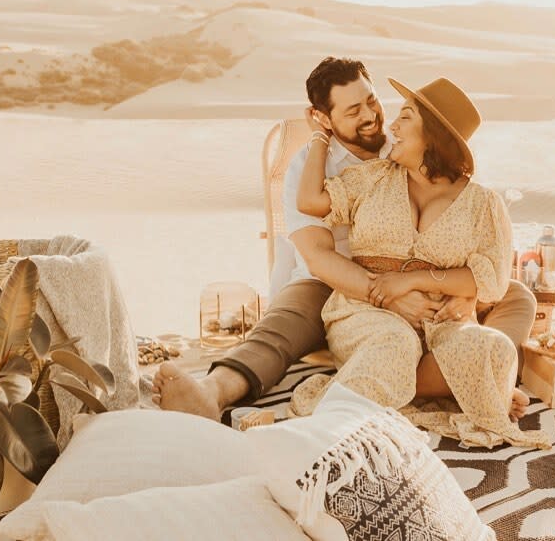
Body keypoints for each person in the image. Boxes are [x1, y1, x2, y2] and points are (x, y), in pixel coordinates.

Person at [152, 59, 534, 424]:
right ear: (325, 118)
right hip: (334, 280)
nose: (371, 116)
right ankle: (212, 391)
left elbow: (473, 241)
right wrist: (391, 293)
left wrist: (463, 292)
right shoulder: (309, 167)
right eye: (352, 112)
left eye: (371, 101)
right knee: (284, 325)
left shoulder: (401, 149)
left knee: (516, 295)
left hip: (426, 287)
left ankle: (483, 378)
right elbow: (319, 256)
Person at [290, 75, 549, 449]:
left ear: (434, 135)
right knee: (396, 344)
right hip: (366, 314)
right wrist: (320, 135)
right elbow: (310, 201)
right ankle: (334, 425)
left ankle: (406, 390)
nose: (392, 126)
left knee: (495, 348)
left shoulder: (483, 204)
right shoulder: (373, 178)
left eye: (406, 118)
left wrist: (415, 281)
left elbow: (490, 282)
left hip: (440, 324)